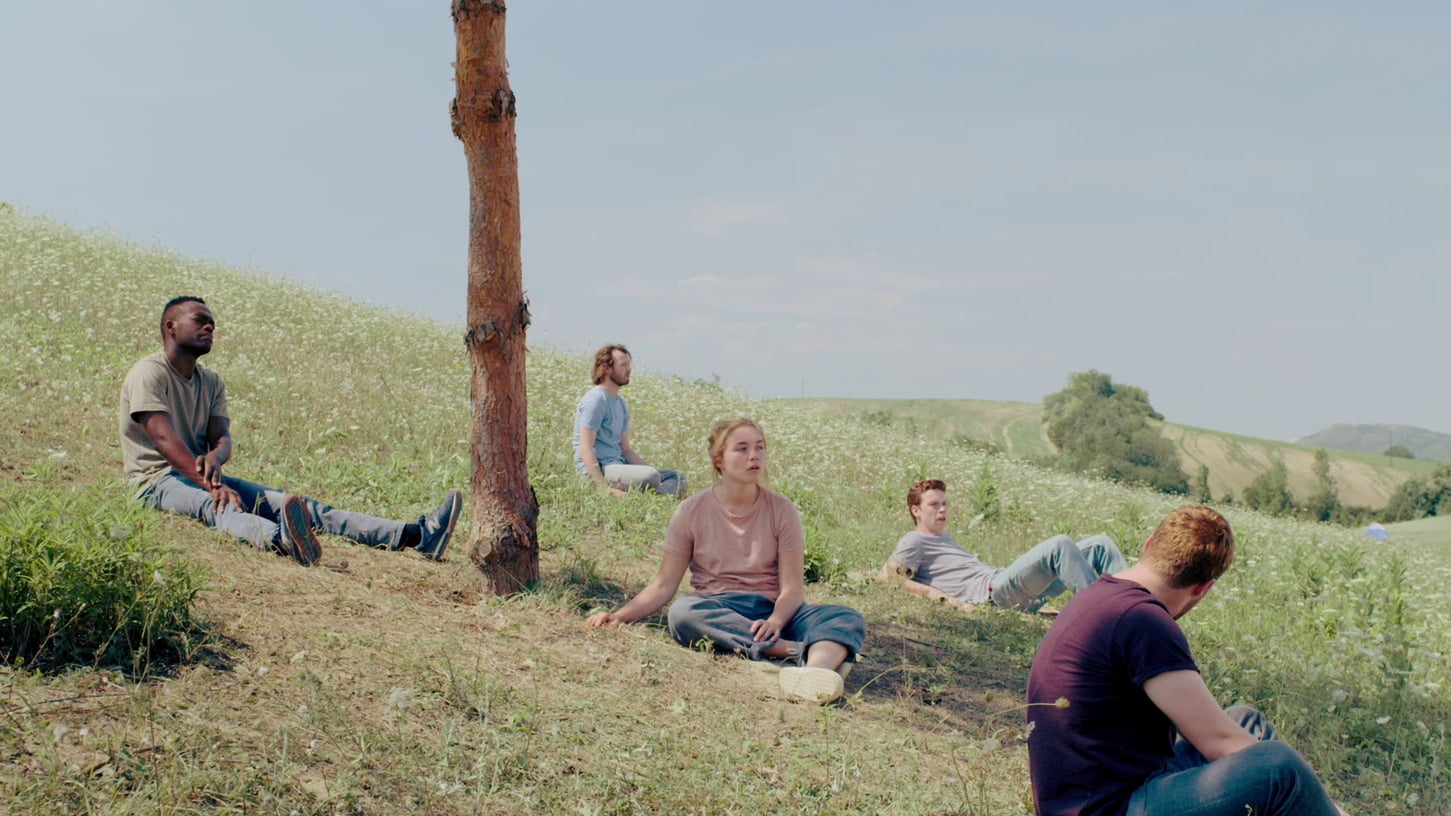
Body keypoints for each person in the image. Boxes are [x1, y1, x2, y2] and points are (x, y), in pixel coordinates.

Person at [1026, 505, 1345, 816]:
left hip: (1104, 786)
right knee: (1281, 769)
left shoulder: (1103, 595)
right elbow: (1218, 742)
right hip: (1111, 806)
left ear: (1150, 544)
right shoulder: (1144, 622)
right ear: (1203, 588)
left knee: (1246, 721)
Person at [119, 296, 462, 565]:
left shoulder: (211, 381)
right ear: (171, 326)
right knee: (217, 505)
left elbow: (222, 437)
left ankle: (417, 536)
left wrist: (216, 457)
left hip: (205, 476)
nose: (209, 327)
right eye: (200, 321)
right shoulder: (149, 373)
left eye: (213, 324)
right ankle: (279, 539)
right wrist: (211, 484)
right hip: (156, 482)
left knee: (305, 507)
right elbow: (162, 438)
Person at [586, 418, 865, 704]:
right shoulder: (691, 510)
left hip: (773, 610)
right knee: (682, 613)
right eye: (742, 449)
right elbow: (663, 584)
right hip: (720, 609)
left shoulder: (783, 510)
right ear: (719, 460)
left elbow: (792, 589)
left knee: (845, 618)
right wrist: (620, 616)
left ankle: (815, 672)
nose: (754, 456)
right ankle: (793, 651)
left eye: (760, 447)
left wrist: (775, 620)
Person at [879, 479, 1126, 614]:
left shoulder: (944, 537)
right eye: (934, 505)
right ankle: (1104, 620)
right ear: (916, 510)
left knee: (1100, 544)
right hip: (994, 593)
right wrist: (943, 598)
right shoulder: (914, 540)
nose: (943, 509)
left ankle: (1136, 609)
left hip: (1010, 587)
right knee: (1059, 545)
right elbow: (888, 578)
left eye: (945, 504)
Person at [573, 343, 685, 496]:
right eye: (623, 365)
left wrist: (651, 471)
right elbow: (585, 448)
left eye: (629, 364)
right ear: (606, 368)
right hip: (601, 468)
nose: (629, 369)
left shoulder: (621, 403)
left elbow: (625, 450)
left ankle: (648, 496)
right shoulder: (596, 399)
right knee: (651, 477)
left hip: (619, 466)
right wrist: (601, 487)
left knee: (677, 477)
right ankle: (622, 492)